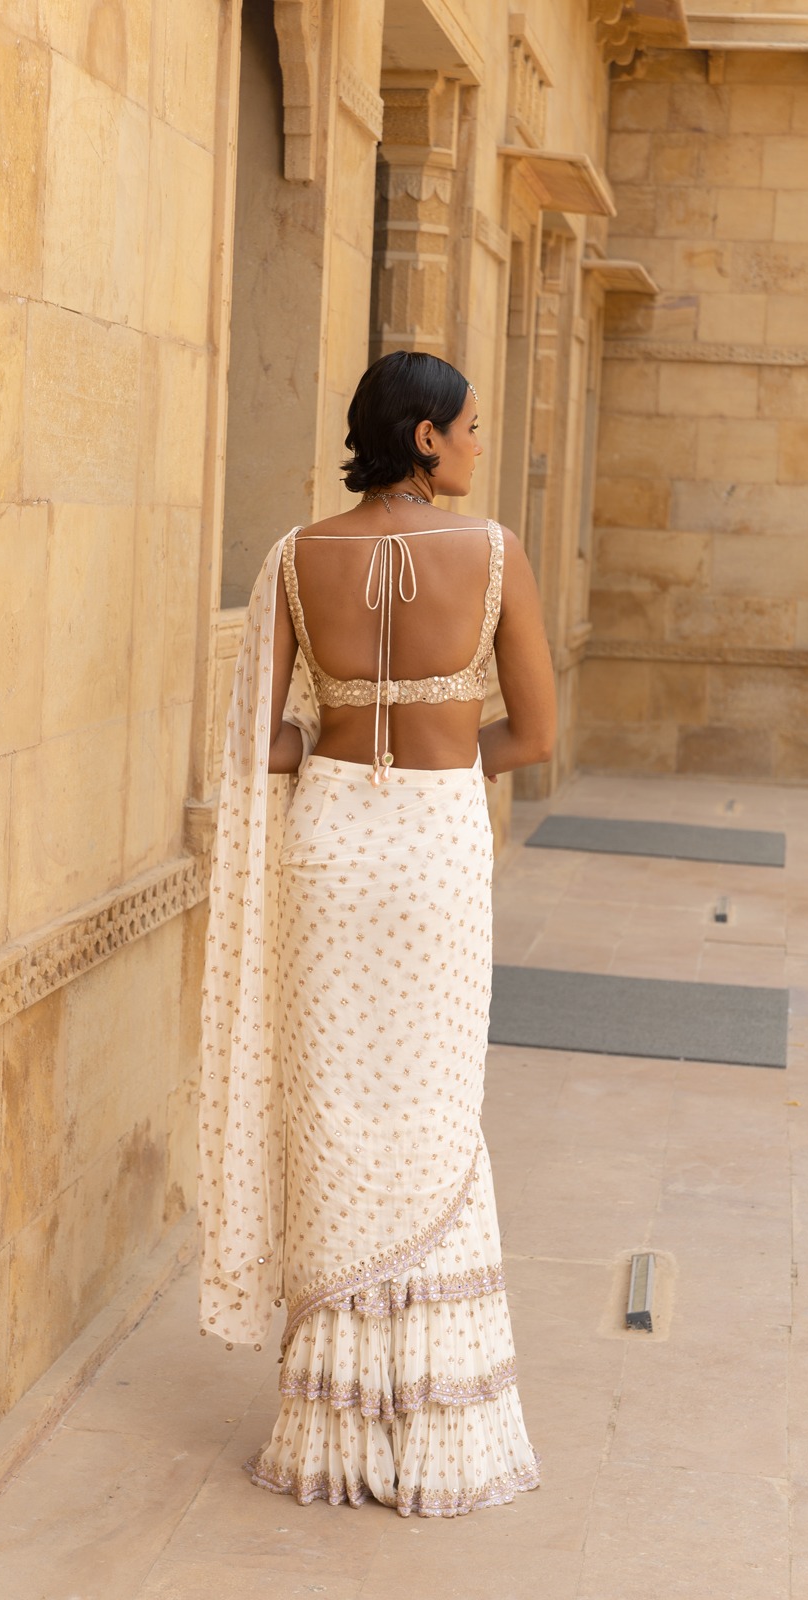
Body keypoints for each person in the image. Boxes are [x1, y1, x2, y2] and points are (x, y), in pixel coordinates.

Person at [198, 349, 556, 1517]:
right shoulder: (493, 552)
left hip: (330, 851)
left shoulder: (296, 556)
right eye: (467, 427)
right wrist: (442, 767)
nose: (476, 445)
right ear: (423, 437)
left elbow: (259, 742)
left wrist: (334, 748)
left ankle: (332, 1420)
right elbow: (532, 735)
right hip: (435, 854)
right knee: (435, 1114)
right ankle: (432, 1415)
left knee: (336, 1108)